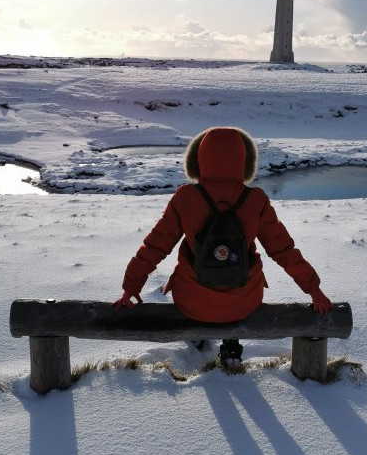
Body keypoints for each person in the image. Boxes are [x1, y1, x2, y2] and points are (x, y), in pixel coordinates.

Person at [114, 127, 331, 366]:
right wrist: (313, 289)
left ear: (199, 158)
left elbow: (155, 246)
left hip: (192, 301)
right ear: (244, 160)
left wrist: (130, 287)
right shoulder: (255, 200)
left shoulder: (186, 198)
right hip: (243, 301)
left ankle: (198, 338)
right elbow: (283, 250)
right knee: (237, 276)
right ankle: (230, 346)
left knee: (198, 284)